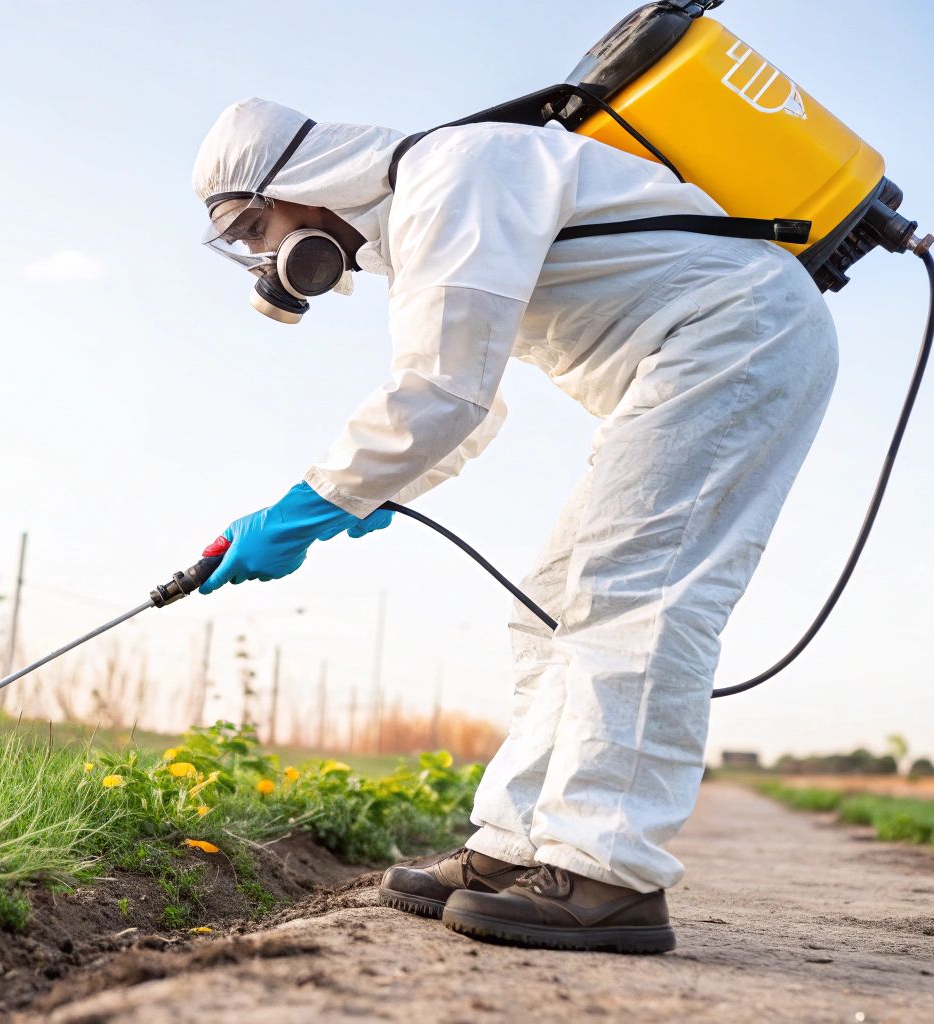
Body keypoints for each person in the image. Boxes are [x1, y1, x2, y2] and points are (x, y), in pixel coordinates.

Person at [191, 98, 838, 954]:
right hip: (680, 360)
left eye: (254, 226)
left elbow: (443, 388)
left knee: (630, 595)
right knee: (544, 608)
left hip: (734, 337)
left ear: (301, 183)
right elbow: (476, 395)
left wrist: (311, 506)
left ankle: (609, 871)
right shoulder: (418, 218)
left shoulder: (449, 178)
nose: (263, 255)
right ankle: (515, 847)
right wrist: (377, 490)